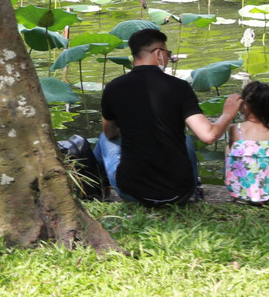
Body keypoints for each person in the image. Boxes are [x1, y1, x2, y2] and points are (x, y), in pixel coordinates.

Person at [94, 25, 241, 205]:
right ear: (157, 53)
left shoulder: (113, 88)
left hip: (133, 193)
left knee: (103, 139)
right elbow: (209, 135)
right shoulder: (179, 87)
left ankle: (99, 192)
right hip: (180, 193)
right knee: (185, 139)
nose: (168, 57)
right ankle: (195, 186)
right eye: (167, 52)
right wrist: (227, 114)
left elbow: (110, 134)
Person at [225, 81, 269, 204]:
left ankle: (239, 189)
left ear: (245, 105)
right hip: (268, 195)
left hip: (242, 195)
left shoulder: (235, 129)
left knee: (229, 148)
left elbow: (232, 150)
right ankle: (265, 192)